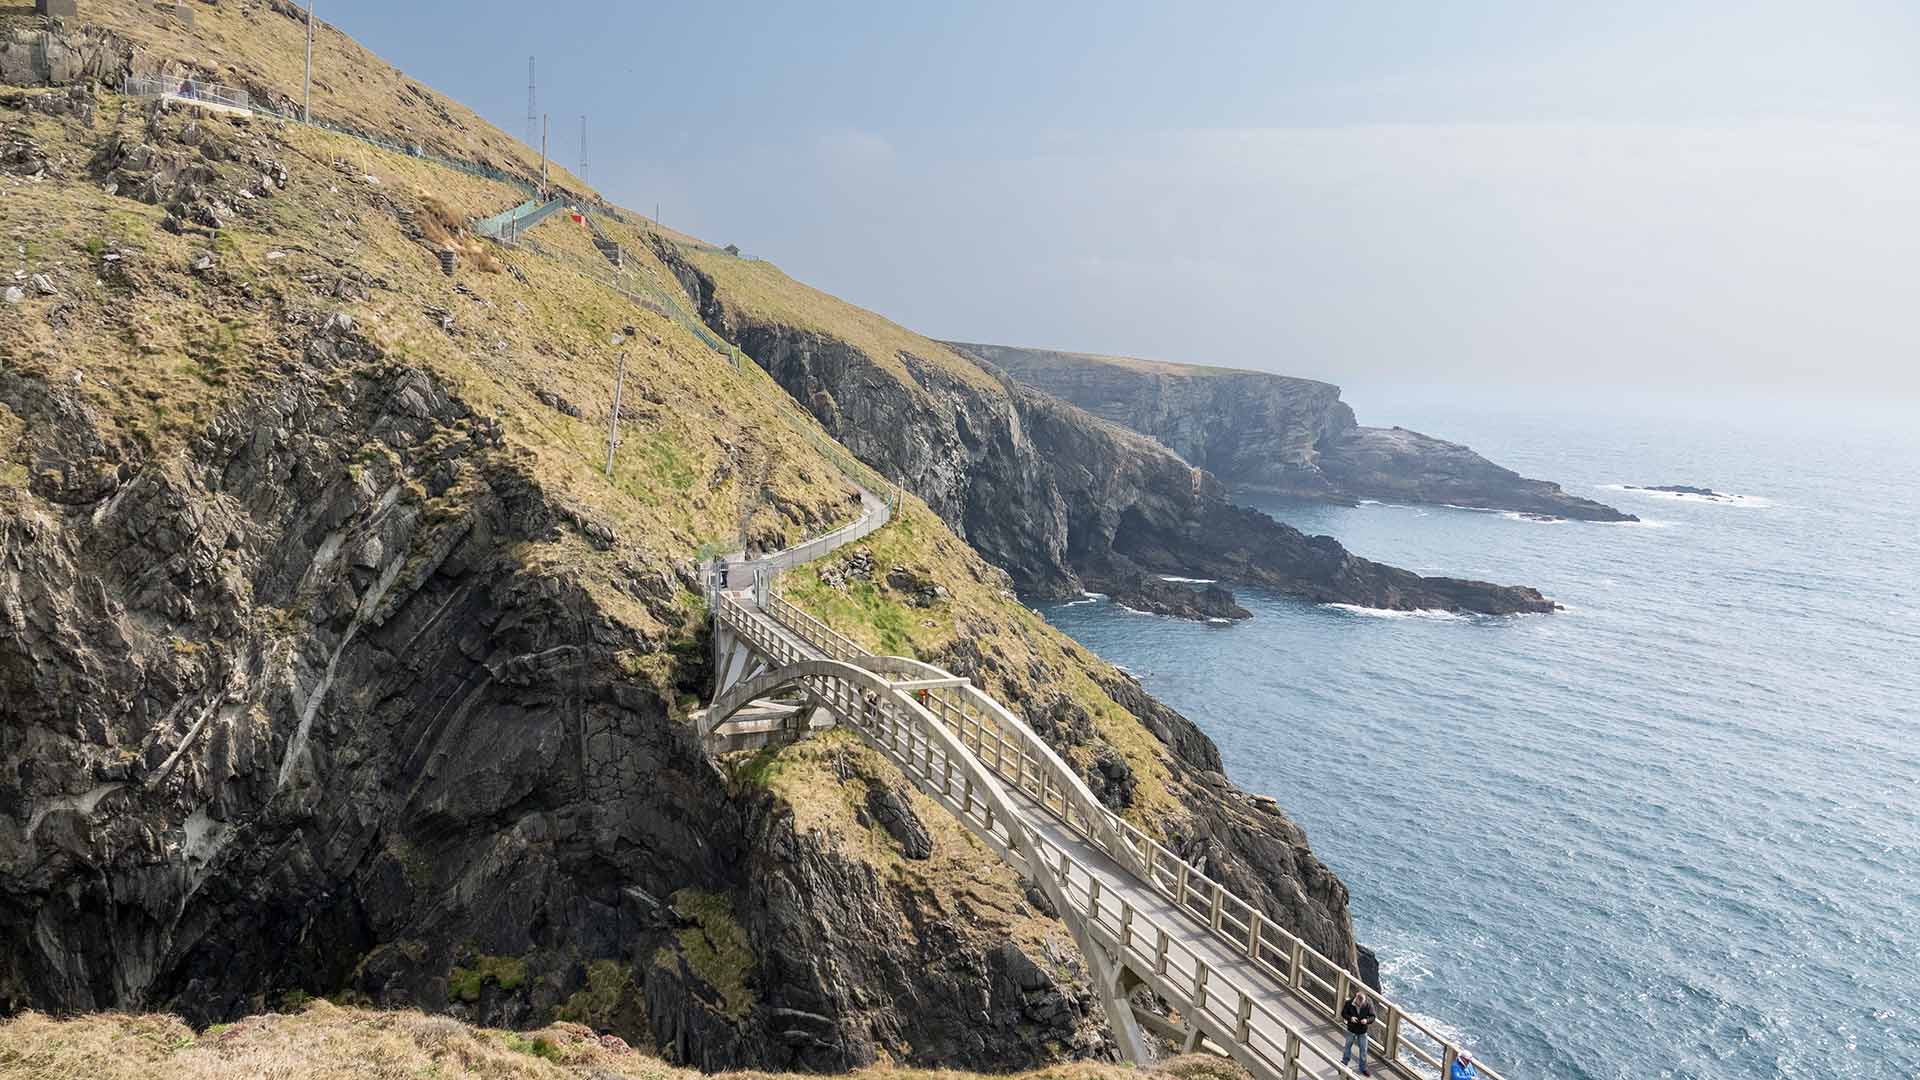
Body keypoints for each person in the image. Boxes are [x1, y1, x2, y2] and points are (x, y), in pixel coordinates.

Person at [1340, 989, 1376, 1075]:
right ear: (1356, 999)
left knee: (1363, 1049)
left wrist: (1366, 1020)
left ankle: (1363, 1067)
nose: (1359, 1006)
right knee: (1347, 1046)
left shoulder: (1368, 1004)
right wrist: (1350, 1018)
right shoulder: (1349, 1003)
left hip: (1362, 1031)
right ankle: (1344, 1063)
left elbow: (1373, 1016)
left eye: (1361, 1004)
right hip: (1351, 1029)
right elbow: (1343, 1013)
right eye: (1358, 1004)